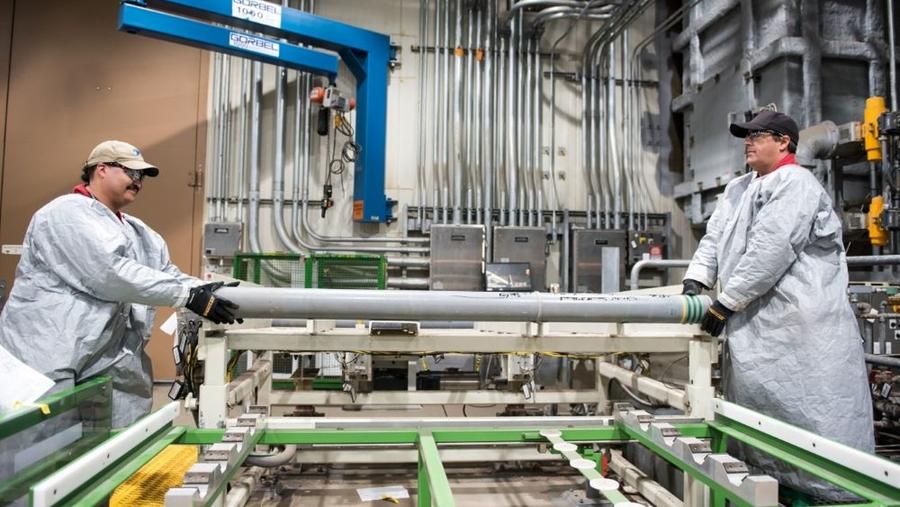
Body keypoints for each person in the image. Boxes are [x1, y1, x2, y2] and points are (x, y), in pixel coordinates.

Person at [682, 111, 875, 501]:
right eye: (745, 137)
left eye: (757, 136)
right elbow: (714, 236)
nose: (747, 143)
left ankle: (830, 492)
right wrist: (697, 277)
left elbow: (771, 250)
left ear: (784, 142)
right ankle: (773, 487)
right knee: (762, 413)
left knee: (811, 411)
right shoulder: (739, 188)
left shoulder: (796, 184)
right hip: (757, 323)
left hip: (800, 325)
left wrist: (726, 302)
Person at [0, 140, 241, 428]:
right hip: (49, 351)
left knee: (115, 443)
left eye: (141, 177)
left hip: (107, 356)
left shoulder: (140, 233)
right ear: (101, 169)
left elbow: (166, 273)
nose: (138, 182)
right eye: (131, 173)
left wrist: (210, 291)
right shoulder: (65, 215)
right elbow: (110, 273)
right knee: (40, 443)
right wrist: (188, 295)